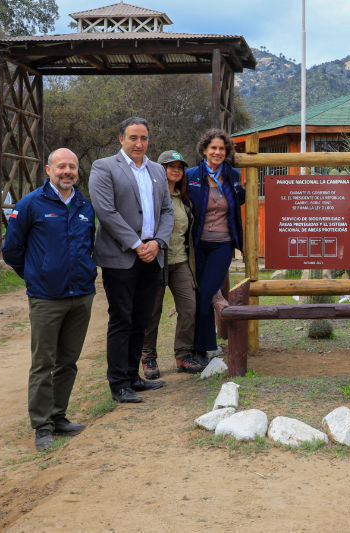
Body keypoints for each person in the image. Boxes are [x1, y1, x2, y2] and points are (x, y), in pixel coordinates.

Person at [3, 148, 97, 451]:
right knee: (43, 362)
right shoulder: (31, 204)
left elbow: (89, 245)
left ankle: (58, 417)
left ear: (77, 172)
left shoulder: (85, 206)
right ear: (48, 170)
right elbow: (12, 250)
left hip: (81, 296)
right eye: (61, 167)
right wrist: (35, 275)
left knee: (68, 362)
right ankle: (41, 426)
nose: (67, 171)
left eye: (72, 167)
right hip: (46, 298)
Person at [89, 117, 173, 403]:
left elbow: (167, 212)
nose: (139, 143)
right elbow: (106, 211)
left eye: (144, 138)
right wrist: (137, 244)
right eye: (133, 137)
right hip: (120, 258)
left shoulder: (157, 170)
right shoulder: (104, 167)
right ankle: (118, 383)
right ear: (121, 139)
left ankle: (133, 376)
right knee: (122, 319)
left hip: (152, 256)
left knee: (141, 319)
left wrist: (158, 243)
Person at [141, 150, 206, 376]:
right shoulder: (150, 196)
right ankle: (148, 359)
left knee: (189, 308)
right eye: (171, 166)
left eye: (180, 166)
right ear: (160, 169)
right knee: (152, 312)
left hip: (180, 262)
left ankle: (183, 355)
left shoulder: (184, 199)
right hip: (156, 262)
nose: (176, 169)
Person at [186, 129, 246, 361]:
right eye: (213, 148)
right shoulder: (191, 175)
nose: (218, 152)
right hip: (197, 244)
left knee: (208, 292)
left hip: (222, 244)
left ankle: (204, 348)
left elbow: (238, 200)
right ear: (204, 150)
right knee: (197, 295)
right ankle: (197, 346)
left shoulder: (232, 176)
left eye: (222, 148)